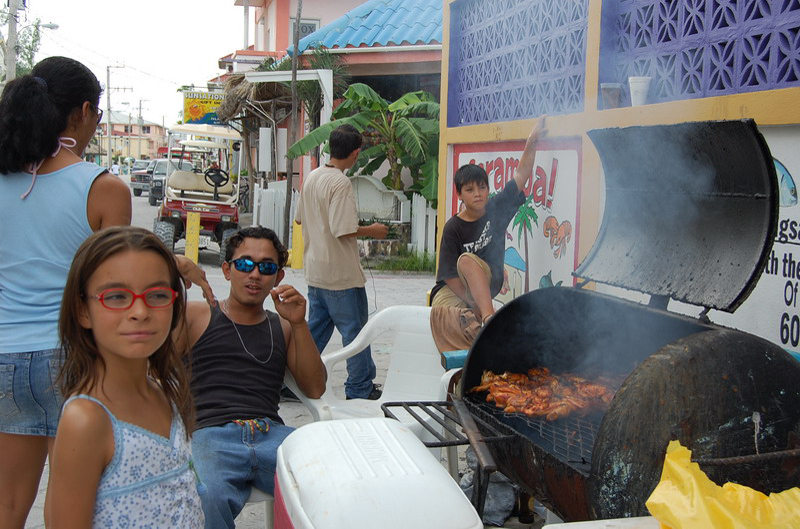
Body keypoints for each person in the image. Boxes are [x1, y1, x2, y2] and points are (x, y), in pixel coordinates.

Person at [0, 56, 133, 528]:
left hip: (4, 358)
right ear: (82, 111)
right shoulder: (103, 188)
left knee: (9, 505)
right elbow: (116, 289)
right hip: (71, 358)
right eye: (97, 116)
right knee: (68, 507)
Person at [47, 227, 203, 527]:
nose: (140, 311)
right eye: (116, 296)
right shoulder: (87, 420)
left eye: (157, 294)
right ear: (83, 311)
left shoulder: (164, 392)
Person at [176, 226, 326, 528]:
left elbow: (315, 387)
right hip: (210, 433)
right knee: (207, 496)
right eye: (245, 264)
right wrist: (176, 263)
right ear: (227, 270)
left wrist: (298, 324)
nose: (255, 274)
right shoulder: (196, 316)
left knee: (332, 483)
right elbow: (126, 269)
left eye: (266, 267)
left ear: (278, 277)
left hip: (271, 433)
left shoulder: (283, 327)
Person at [294, 124, 388, 400]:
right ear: (355, 153)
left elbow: (300, 218)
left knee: (315, 334)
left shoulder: (312, 177)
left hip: (316, 271)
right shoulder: (340, 182)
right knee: (356, 334)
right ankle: (359, 387)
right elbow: (343, 229)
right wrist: (374, 230)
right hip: (341, 275)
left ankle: (295, 381)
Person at [430, 117, 547, 325]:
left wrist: (532, 140)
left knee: (467, 260)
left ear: (488, 189)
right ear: (460, 195)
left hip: (487, 283)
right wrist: (470, 302)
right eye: (469, 190)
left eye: (482, 187)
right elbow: (449, 276)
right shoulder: (453, 228)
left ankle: (488, 319)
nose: (477, 194)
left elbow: (521, 174)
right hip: (455, 291)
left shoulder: (497, 208)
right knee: (448, 322)